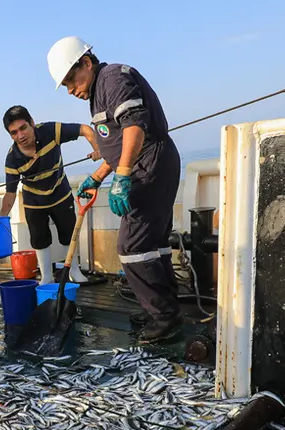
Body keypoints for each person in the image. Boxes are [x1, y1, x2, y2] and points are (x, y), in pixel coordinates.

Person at [47, 36, 183, 344]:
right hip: (144, 162)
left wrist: (122, 177)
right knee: (154, 243)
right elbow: (116, 145)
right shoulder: (97, 93)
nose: (71, 89)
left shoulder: (111, 79)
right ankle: (164, 310)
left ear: (86, 62)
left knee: (131, 246)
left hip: (150, 162)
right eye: (66, 85)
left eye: (71, 79)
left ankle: (164, 317)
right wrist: (98, 176)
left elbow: (134, 126)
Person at [0, 105, 100, 285]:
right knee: (39, 239)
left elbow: (85, 129)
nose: (20, 136)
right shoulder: (12, 159)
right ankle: (46, 277)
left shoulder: (51, 131)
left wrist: (97, 148)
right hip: (34, 201)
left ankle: (74, 271)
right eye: (14, 133)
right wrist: (0, 218)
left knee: (69, 234)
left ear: (32, 123)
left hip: (60, 193)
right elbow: (10, 193)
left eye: (23, 128)